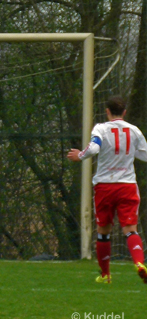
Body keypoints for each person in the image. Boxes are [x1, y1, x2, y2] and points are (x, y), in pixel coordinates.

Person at [67, 96, 147, 284]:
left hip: (105, 186)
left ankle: (105, 275)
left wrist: (80, 155)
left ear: (107, 111)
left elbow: (94, 148)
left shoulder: (101, 128)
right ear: (124, 112)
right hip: (127, 185)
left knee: (103, 231)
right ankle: (139, 263)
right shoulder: (134, 131)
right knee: (130, 229)